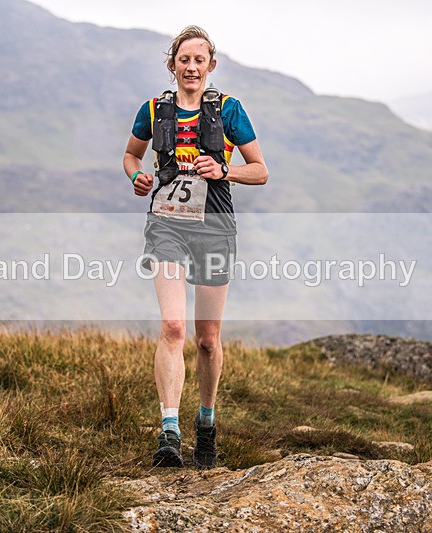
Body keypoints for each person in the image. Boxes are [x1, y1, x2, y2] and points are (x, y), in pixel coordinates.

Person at [123, 25, 268, 468]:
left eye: (198, 60)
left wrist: (224, 170)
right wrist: (137, 177)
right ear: (173, 65)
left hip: (215, 226)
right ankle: (170, 431)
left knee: (207, 339)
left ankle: (206, 422)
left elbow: (260, 170)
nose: (191, 67)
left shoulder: (229, 110)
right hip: (166, 224)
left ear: (210, 65)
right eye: (183, 59)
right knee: (173, 328)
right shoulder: (152, 109)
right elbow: (131, 155)